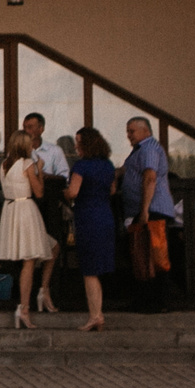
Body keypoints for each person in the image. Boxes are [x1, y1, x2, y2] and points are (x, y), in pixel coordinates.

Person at [0, 130, 56, 330]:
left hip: (11, 210)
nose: (32, 146)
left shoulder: (3, 165)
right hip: (26, 211)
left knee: (52, 247)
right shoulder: (27, 164)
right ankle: (24, 308)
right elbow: (39, 192)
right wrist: (38, 169)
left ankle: (42, 291)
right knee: (29, 261)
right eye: (29, 144)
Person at [118, 116, 177, 312]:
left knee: (155, 257)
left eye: (132, 131)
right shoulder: (139, 151)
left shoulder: (149, 148)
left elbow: (150, 177)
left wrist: (144, 209)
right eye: (128, 131)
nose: (129, 135)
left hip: (152, 211)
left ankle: (159, 302)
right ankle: (144, 301)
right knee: (141, 256)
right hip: (142, 210)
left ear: (145, 131)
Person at [19, 113, 72, 312]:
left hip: (49, 204)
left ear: (41, 128)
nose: (28, 131)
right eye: (25, 127)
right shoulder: (18, 151)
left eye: (31, 126)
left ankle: (46, 290)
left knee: (52, 245)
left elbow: (64, 177)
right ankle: (26, 299)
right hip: (26, 203)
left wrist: (41, 175)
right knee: (27, 251)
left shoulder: (53, 151)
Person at [66, 128, 117, 332]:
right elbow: (112, 190)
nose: (76, 146)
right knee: (97, 267)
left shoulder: (82, 166)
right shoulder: (108, 165)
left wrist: (64, 192)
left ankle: (95, 315)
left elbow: (73, 192)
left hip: (88, 217)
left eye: (78, 142)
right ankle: (97, 314)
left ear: (86, 144)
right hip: (105, 215)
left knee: (89, 270)